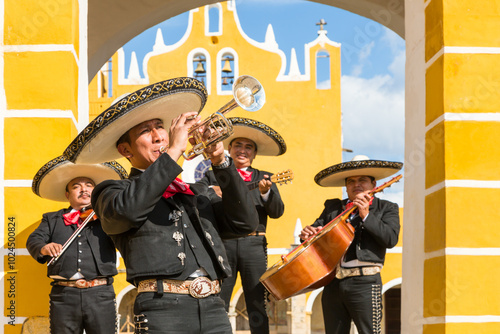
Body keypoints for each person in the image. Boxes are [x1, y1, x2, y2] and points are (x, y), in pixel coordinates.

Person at [62, 78, 259, 334]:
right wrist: (175, 149)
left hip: (214, 308)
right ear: (125, 150)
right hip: (162, 310)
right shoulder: (111, 191)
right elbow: (127, 211)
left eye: (160, 127)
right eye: (146, 132)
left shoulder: (197, 192)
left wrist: (220, 159)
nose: (158, 137)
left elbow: (245, 223)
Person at [197, 117, 287, 333]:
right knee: (218, 300)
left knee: (257, 302)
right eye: (238, 145)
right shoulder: (211, 176)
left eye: (249, 147)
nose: (243, 151)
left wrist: (266, 193)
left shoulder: (265, 178)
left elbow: (277, 212)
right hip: (223, 245)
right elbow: (199, 201)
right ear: (229, 148)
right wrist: (213, 192)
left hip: (254, 245)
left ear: (254, 154)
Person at [299, 155, 403, 334]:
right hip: (333, 284)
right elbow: (315, 234)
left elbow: (390, 239)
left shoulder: (387, 208)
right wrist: (307, 234)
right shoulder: (332, 208)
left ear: (373, 184)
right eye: (351, 181)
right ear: (346, 187)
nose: (357, 184)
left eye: (362, 180)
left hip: (365, 283)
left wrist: (366, 216)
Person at [27, 156, 128, 334]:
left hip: (100, 294)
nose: (84, 190)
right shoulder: (52, 219)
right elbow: (34, 240)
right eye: (76, 186)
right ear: (68, 195)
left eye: (89, 185)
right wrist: (44, 247)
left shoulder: (106, 217)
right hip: (64, 296)